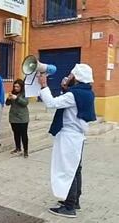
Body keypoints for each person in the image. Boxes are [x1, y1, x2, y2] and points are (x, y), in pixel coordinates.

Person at [38, 64, 96, 218]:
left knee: (66, 170)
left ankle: (69, 208)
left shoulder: (73, 95)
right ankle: (74, 201)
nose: (68, 76)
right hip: (77, 136)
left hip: (69, 136)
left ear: (76, 77)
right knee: (75, 169)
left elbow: (52, 103)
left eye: (71, 74)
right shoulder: (87, 92)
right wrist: (65, 87)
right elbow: (73, 102)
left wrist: (44, 85)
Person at [6, 79, 29, 157]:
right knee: (16, 133)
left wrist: (17, 98)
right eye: (15, 86)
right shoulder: (12, 93)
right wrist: (8, 99)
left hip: (22, 117)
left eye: (17, 87)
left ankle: (26, 150)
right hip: (13, 117)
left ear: (21, 87)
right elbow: (7, 104)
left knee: (24, 134)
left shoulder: (25, 93)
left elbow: (25, 103)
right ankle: (18, 148)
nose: (16, 88)